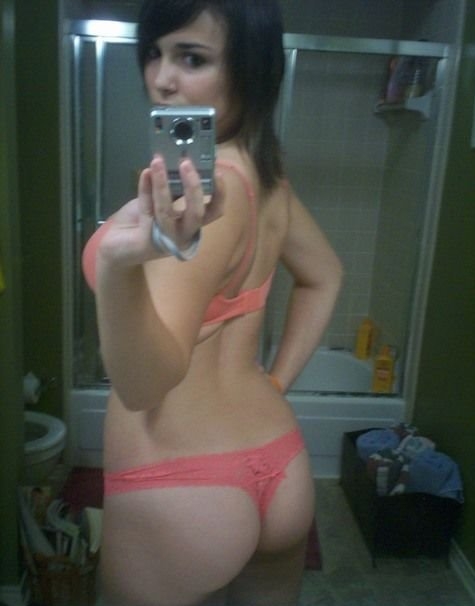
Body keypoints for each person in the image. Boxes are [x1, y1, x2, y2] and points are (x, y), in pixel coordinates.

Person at [83, 1, 343, 604]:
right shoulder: (266, 177)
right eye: (154, 53)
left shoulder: (203, 199)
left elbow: (144, 386)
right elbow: (325, 276)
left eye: (192, 59)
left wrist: (119, 268)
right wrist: (275, 383)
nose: (160, 78)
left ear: (251, 70)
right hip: (277, 457)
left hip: (182, 480)